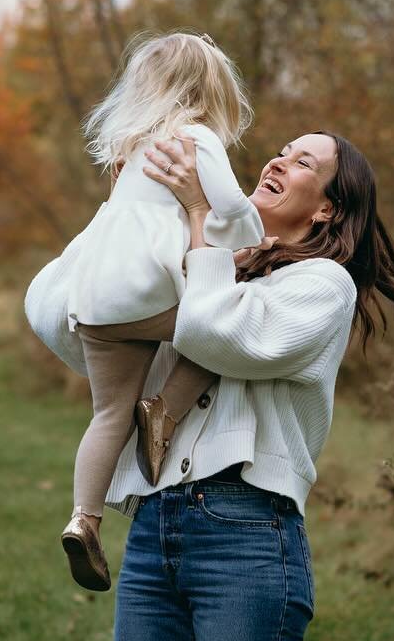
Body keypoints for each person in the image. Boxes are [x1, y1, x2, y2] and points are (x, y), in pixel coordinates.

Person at [23, 128, 394, 641]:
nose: (276, 161)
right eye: (279, 150)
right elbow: (79, 325)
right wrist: (122, 210)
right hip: (154, 533)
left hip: (247, 538)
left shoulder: (320, 287)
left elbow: (214, 333)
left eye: (305, 163)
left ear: (328, 211)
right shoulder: (199, 265)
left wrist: (202, 223)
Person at [54, 30, 267, 593]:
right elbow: (232, 209)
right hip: (144, 296)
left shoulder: (129, 144)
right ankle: (164, 411)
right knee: (224, 326)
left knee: (106, 415)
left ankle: (85, 519)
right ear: (211, 89)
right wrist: (255, 240)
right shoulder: (195, 136)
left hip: (95, 302)